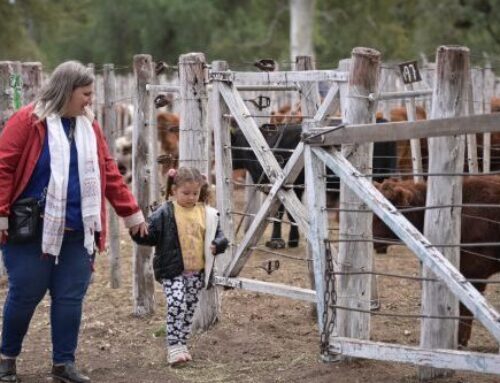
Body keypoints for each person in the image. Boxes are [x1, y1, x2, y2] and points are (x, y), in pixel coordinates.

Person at [0, 61, 148, 383]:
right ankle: (6, 359)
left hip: (79, 229)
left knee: (70, 297)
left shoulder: (87, 125)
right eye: (86, 93)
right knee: (25, 293)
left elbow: (108, 170)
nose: (89, 100)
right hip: (32, 229)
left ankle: (63, 365)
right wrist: (0, 213)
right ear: (67, 91)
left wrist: (131, 213)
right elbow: (4, 167)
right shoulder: (28, 121)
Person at [131, 167, 228, 367]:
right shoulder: (165, 212)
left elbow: (218, 234)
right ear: (174, 190)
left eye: (195, 193)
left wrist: (219, 244)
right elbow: (150, 235)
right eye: (186, 193)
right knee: (177, 304)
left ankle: (182, 343)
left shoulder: (207, 213)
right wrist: (136, 229)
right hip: (171, 270)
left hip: (197, 271)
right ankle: (173, 345)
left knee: (189, 308)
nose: (191, 197)